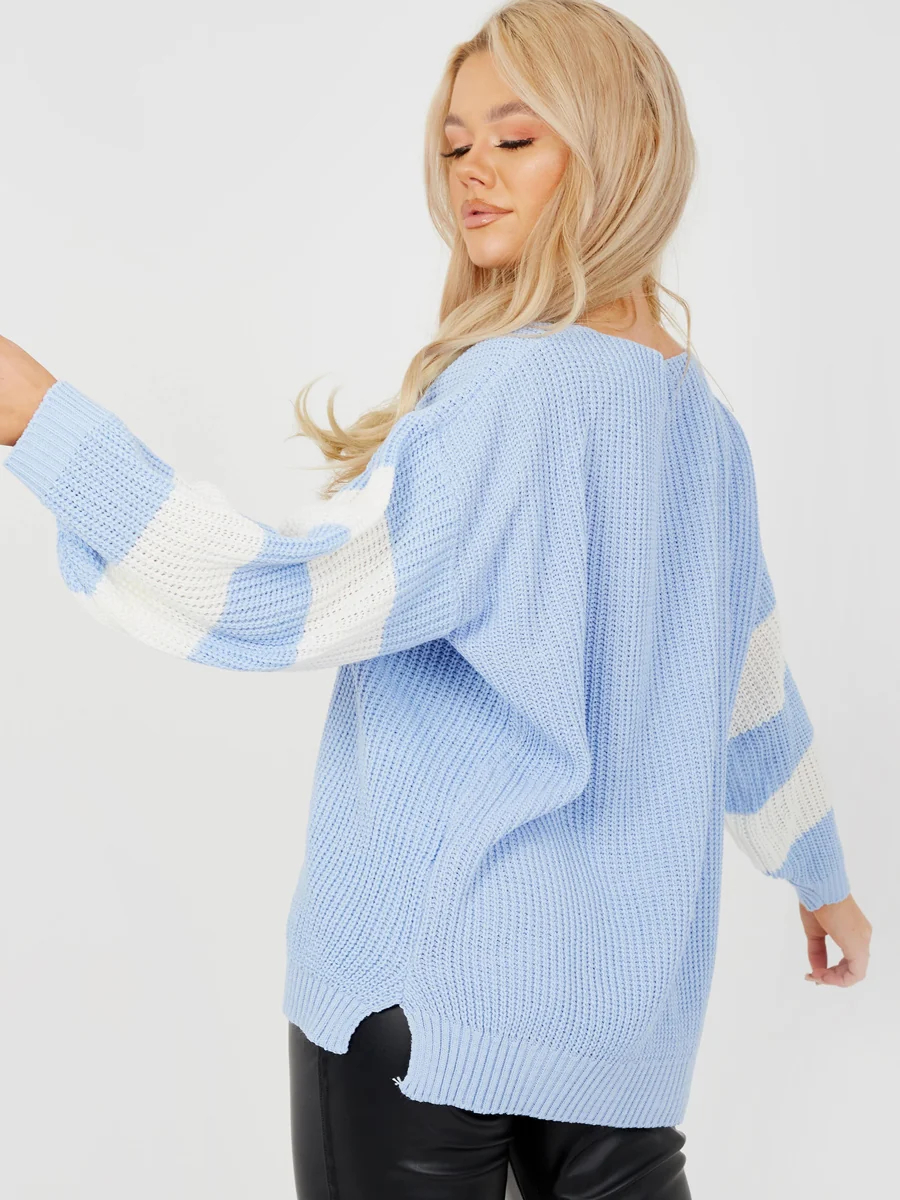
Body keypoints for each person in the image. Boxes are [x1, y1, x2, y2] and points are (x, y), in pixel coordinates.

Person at [0, 2, 872, 1197]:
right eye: (456, 143)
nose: (472, 171)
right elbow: (749, 687)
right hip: (617, 1026)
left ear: (622, 150)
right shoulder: (707, 430)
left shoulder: (510, 396)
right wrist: (821, 877)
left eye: (516, 138)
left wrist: (36, 418)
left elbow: (275, 601)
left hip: (424, 997)